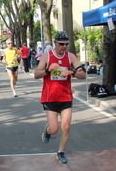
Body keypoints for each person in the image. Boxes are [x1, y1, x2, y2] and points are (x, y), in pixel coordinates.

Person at [34, 31, 86, 164]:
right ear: (55, 43)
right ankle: (47, 130)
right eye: (61, 44)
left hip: (66, 97)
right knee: (54, 129)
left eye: (66, 44)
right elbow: (36, 74)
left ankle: (60, 152)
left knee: (66, 126)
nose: (64, 46)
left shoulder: (70, 57)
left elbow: (83, 75)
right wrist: (48, 70)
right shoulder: (47, 56)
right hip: (50, 97)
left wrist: (72, 72)